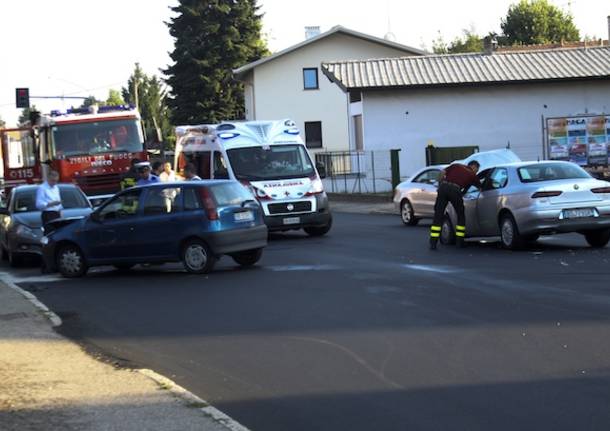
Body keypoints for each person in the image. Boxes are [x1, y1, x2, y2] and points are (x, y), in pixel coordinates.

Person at [429, 160, 481, 250]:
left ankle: (433, 242)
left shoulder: (456, 165)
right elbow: (480, 187)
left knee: (438, 215)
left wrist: (440, 185)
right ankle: (460, 241)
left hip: (443, 188)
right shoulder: (473, 175)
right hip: (455, 190)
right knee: (460, 215)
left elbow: (442, 172)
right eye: (477, 169)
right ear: (473, 167)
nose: (476, 171)